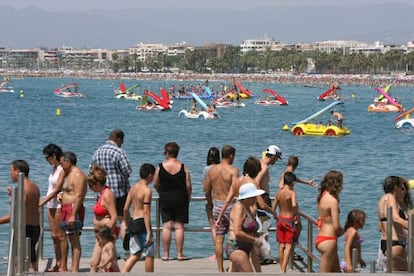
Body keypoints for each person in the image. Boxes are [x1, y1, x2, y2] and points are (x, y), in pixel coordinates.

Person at [90, 129, 132, 255]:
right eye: (122, 141)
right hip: (119, 192)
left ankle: (110, 252)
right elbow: (128, 170)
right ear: (118, 139)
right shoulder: (119, 152)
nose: (121, 144)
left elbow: (91, 171)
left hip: (101, 194)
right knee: (123, 221)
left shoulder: (97, 152)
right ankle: (127, 251)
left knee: (107, 221)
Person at [154, 142, 192, 261]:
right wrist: (188, 197)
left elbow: (155, 183)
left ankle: (165, 254)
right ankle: (180, 254)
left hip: (165, 198)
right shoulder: (183, 167)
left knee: (166, 227)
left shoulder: (160, 167)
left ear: (168, 153)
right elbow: (188, 185)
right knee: (179, 227)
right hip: (180, 198)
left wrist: (161, 191)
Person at [0, 160, 40, 272]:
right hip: (35, 228)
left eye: (11, 170)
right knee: (31, 261)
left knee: (20, 265)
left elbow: (17, 214)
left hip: (25, 229)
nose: (10, 173)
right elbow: (28, 207)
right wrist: (13, 194)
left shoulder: (23, 189)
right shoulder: (34, 186)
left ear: (18, 171)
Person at [203, 145, 239, 272]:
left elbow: (206, 190)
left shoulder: (211, 171)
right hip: (231, 206)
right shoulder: (233, 170)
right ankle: (232, 267)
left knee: (219, 239)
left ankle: (220, 269)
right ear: (231, 156)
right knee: (233, 236)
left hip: (217, 205)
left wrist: (210, 203)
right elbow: (235, 190)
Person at [39, 144, 68, 272]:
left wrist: (43, 201)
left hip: (59, 204)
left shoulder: (62, 168)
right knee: (54, 236)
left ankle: (63, 265)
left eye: (47, 157)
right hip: (51, 204)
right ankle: (58, 262)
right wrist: (45, 200)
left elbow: (57, 189)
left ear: (54, 155)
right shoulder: (54, 168)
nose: (46, 160)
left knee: (61, 236)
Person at [122, 163, 156, 272]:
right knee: (149, 253)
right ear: (150, 175)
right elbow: (146, 212)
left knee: (135, 253)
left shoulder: (133, 188)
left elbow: (125, 209)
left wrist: (128, 224)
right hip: (142, 223)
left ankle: (123, 272)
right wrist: (149, 232)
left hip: (133, 221)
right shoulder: (147, 191)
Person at [225, 183, 264, 272]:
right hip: (236, 247)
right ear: (247, 197)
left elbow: (248, 229)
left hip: (248, 247)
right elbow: (237, 232)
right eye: (254, 196)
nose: (255, 198)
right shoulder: (238, 207)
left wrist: (257, 234)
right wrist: (255, 240)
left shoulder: (249, 208)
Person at [59, 151, 87, 272]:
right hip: (65, 208)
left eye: (62, 163)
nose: (61, 166)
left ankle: (75, 269)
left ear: (68, 162)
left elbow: (79, 195)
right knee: (68, 237)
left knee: (74, 239)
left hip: (73, 209)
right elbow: (69, 191)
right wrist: (61, 196)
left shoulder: (78, 174)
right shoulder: (67, 174)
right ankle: (71, 267)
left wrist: (73, 214)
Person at [87, 165, 118, 272]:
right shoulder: (101, 194)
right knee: (110, 263)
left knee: (94, 263)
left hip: (105, 234)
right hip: (101, 234)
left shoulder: (107, 195)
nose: (89, 188)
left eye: (91, 185)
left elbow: (114, 217)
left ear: (98, 184)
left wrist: (105, 235)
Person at [255, 145, 282, 264]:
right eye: (277, 158)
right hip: (262, 198)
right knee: (264, 228)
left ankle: (261, 255)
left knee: (261, 228)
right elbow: (256, 182)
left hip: (260, 198)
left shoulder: (258, 163)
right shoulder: (264, 167)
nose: (276, 161)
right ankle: (263, 256)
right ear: (273, 156)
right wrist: (260, 200)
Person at [377, 176, 409, 272]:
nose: (402, 191)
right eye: (401, 188)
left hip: (386, 243)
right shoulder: (390, 197)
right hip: (395, 243)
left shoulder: (382, 200)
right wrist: (410, 226)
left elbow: (380, 226)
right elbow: (395, 218)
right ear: (396, 187)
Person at [315, 170, 344, 273]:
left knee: (336, 272)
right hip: (329, 239)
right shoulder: (333, 201)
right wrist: (344, 231)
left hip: (321, 237)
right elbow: (336, 226)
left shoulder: (322, 196)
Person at [272, 171, 299, 273]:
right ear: (292, 182)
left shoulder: (278, 193)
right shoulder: (292, 193)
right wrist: (296, 214)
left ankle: (281, 267)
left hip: (280, 219)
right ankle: (283, 269)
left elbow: (273, 208)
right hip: (289, 220)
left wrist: (276, 216)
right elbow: (294, 205)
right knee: (288, 245)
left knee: (281, 245)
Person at [202, 147, 220, 261]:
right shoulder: (221, 168)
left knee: (214, 227)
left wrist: (209, 202)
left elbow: (205, 187)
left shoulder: (206, 169)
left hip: (211, 200)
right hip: (222, 199)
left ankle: (217, 252)